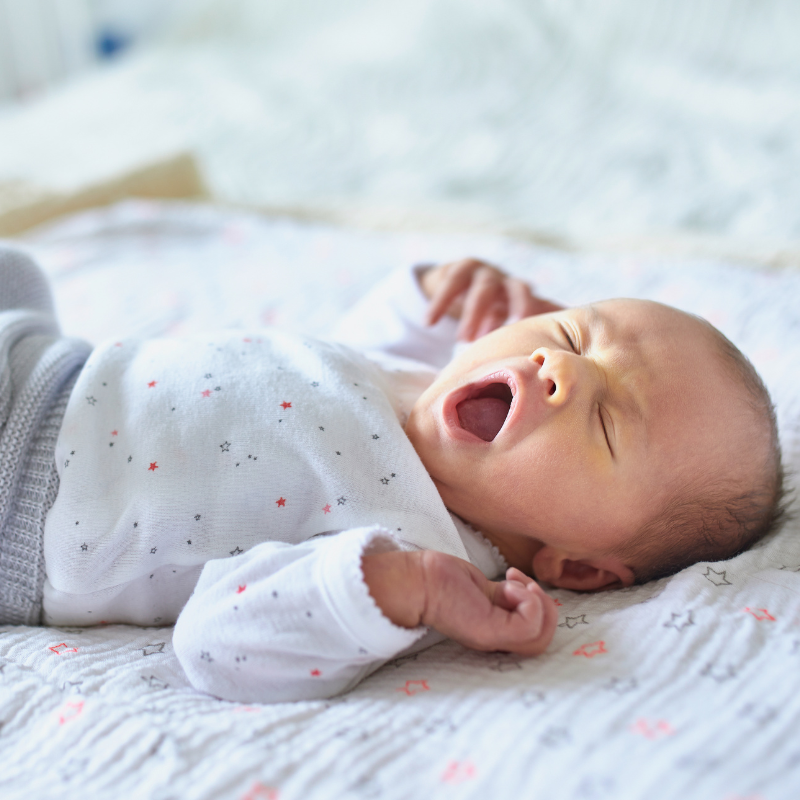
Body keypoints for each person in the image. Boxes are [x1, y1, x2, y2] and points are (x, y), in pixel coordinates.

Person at [0, 248, 785, 703]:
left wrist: (402, 590)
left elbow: (218, 641)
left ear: (576, 564)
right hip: (45, 359)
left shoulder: (409, 543)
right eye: (573, 333)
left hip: (19, 498)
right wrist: (435, 294)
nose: (561, 369)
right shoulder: (416, 384)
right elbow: (326, 363)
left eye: (609, 421)